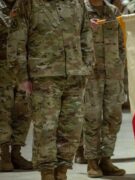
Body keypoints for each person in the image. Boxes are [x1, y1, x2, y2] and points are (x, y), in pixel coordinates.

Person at [7, 0, 94, 179]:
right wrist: (21, 76)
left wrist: (87, 66)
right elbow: (16, 41)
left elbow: (86, 33)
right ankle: (47, 174)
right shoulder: (27, 4)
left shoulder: (77, 3)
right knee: (46, 130)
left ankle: (61, 173)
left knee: (72, 128)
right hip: (43, 77)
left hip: (74, 75)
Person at [82, 0, 126, 177]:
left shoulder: (113, 11)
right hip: (91, 74)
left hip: (113, 75)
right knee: (91, 117)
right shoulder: (81, 10)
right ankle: (92, 161)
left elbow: (121, 42)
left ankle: (106, 159)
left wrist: (119, 65)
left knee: (113, 117)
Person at [0, 0, 32, 172]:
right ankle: (4, 155)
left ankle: (16, 154)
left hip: (25, 67)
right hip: (2, 67)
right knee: (3, 112)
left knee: (24, 111)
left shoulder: (28, 5)